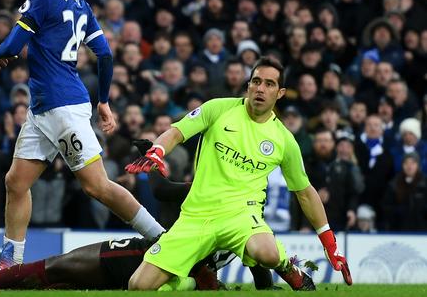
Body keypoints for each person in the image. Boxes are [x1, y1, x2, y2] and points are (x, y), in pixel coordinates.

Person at [0, 0, 164, 269]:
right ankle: (10, 262)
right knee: (16, 182)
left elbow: (12, 47)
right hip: (45, 107)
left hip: (61, 108)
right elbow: (105, 55)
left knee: (97, 186)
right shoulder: (81, 4)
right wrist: (103, 100)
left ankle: (163, 239)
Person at [124, 57, 352, 290]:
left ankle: (287, 268)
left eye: (269, 84)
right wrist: (157, 151)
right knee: (138, 286)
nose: (261, 89)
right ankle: (194, 284)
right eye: (256, 81)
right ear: (248, 86)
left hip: (241, 217)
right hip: (196, 215)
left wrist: (328, 240)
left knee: (267, 254)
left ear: (280, 92)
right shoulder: (218, 108)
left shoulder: (284, 139)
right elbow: (176, 132)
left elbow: (304, 192)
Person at [0, 141, 314, 291]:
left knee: (57, 270)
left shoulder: (220, 203)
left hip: (143, 256)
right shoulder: (245, 220)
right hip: (149, 262)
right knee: (60, 278)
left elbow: (161, 190)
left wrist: (150, 155)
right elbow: (260, 271)